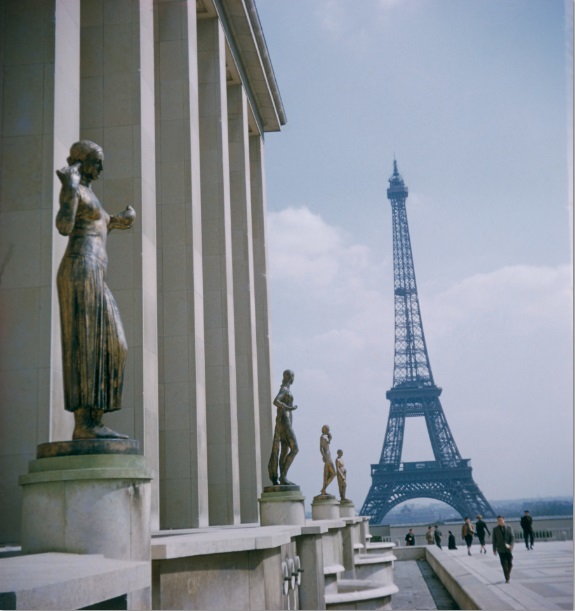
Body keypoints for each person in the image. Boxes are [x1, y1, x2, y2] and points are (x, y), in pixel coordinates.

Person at [56, 140, 136, 440]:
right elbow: (64, 225)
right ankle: (85, 424)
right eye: (96, 161)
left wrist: (117, 221)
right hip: (80, 268)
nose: (101, 168)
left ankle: (95, 419)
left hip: (95, 274)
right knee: (87, 344)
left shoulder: (90, 194)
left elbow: (95, 225)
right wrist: (69, 186)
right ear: (82, 161)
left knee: (116, 346)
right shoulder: (75, 187)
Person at [267, 370, 299, 485]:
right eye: (293, 376)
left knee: (284, 450)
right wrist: (288, 407)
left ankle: (283, 476)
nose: (293, 378)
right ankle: (283, 475)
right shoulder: (285, 389)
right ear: (289, 377)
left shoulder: (286, 389)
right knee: (295, 449)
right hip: (285, 421)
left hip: (287, 420)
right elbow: (276, 401)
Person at [492, 515, 514, 583]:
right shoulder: (495, 529)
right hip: (500, 549)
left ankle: (507, 574)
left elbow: (512, 537)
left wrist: (511, 545)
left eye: (501, 520)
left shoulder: (509, 527)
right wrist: (494, 549)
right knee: (504, 564)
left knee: (510, 564)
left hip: (508, 548)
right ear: (497, 522)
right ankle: (507, 578)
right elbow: (494, 540)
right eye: (499, 520)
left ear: (504, 520)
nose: (500, 521)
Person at [319, 425, 336, 495]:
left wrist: (323, 456)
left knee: (326, 474)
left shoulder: (322, 437)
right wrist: (325, 457)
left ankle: (323, 489)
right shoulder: (324, 437)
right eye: (327, 429)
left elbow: (321, 449)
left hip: (327, 456)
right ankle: (324, 489)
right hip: (328, 457)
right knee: (333, 474)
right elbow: (322, 449)